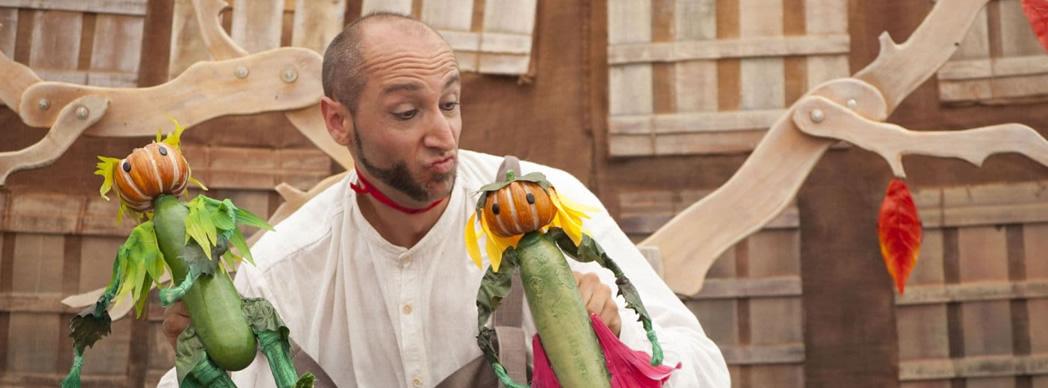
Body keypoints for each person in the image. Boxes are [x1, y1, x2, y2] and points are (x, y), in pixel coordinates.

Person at [157, 12, 729, 387]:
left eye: (449, 103)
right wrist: (198, 366)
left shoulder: (541, 206)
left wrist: (619, 335)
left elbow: (702, 369)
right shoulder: (285, 268)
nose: (443, 134)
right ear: (339, 121)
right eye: (407, 113)